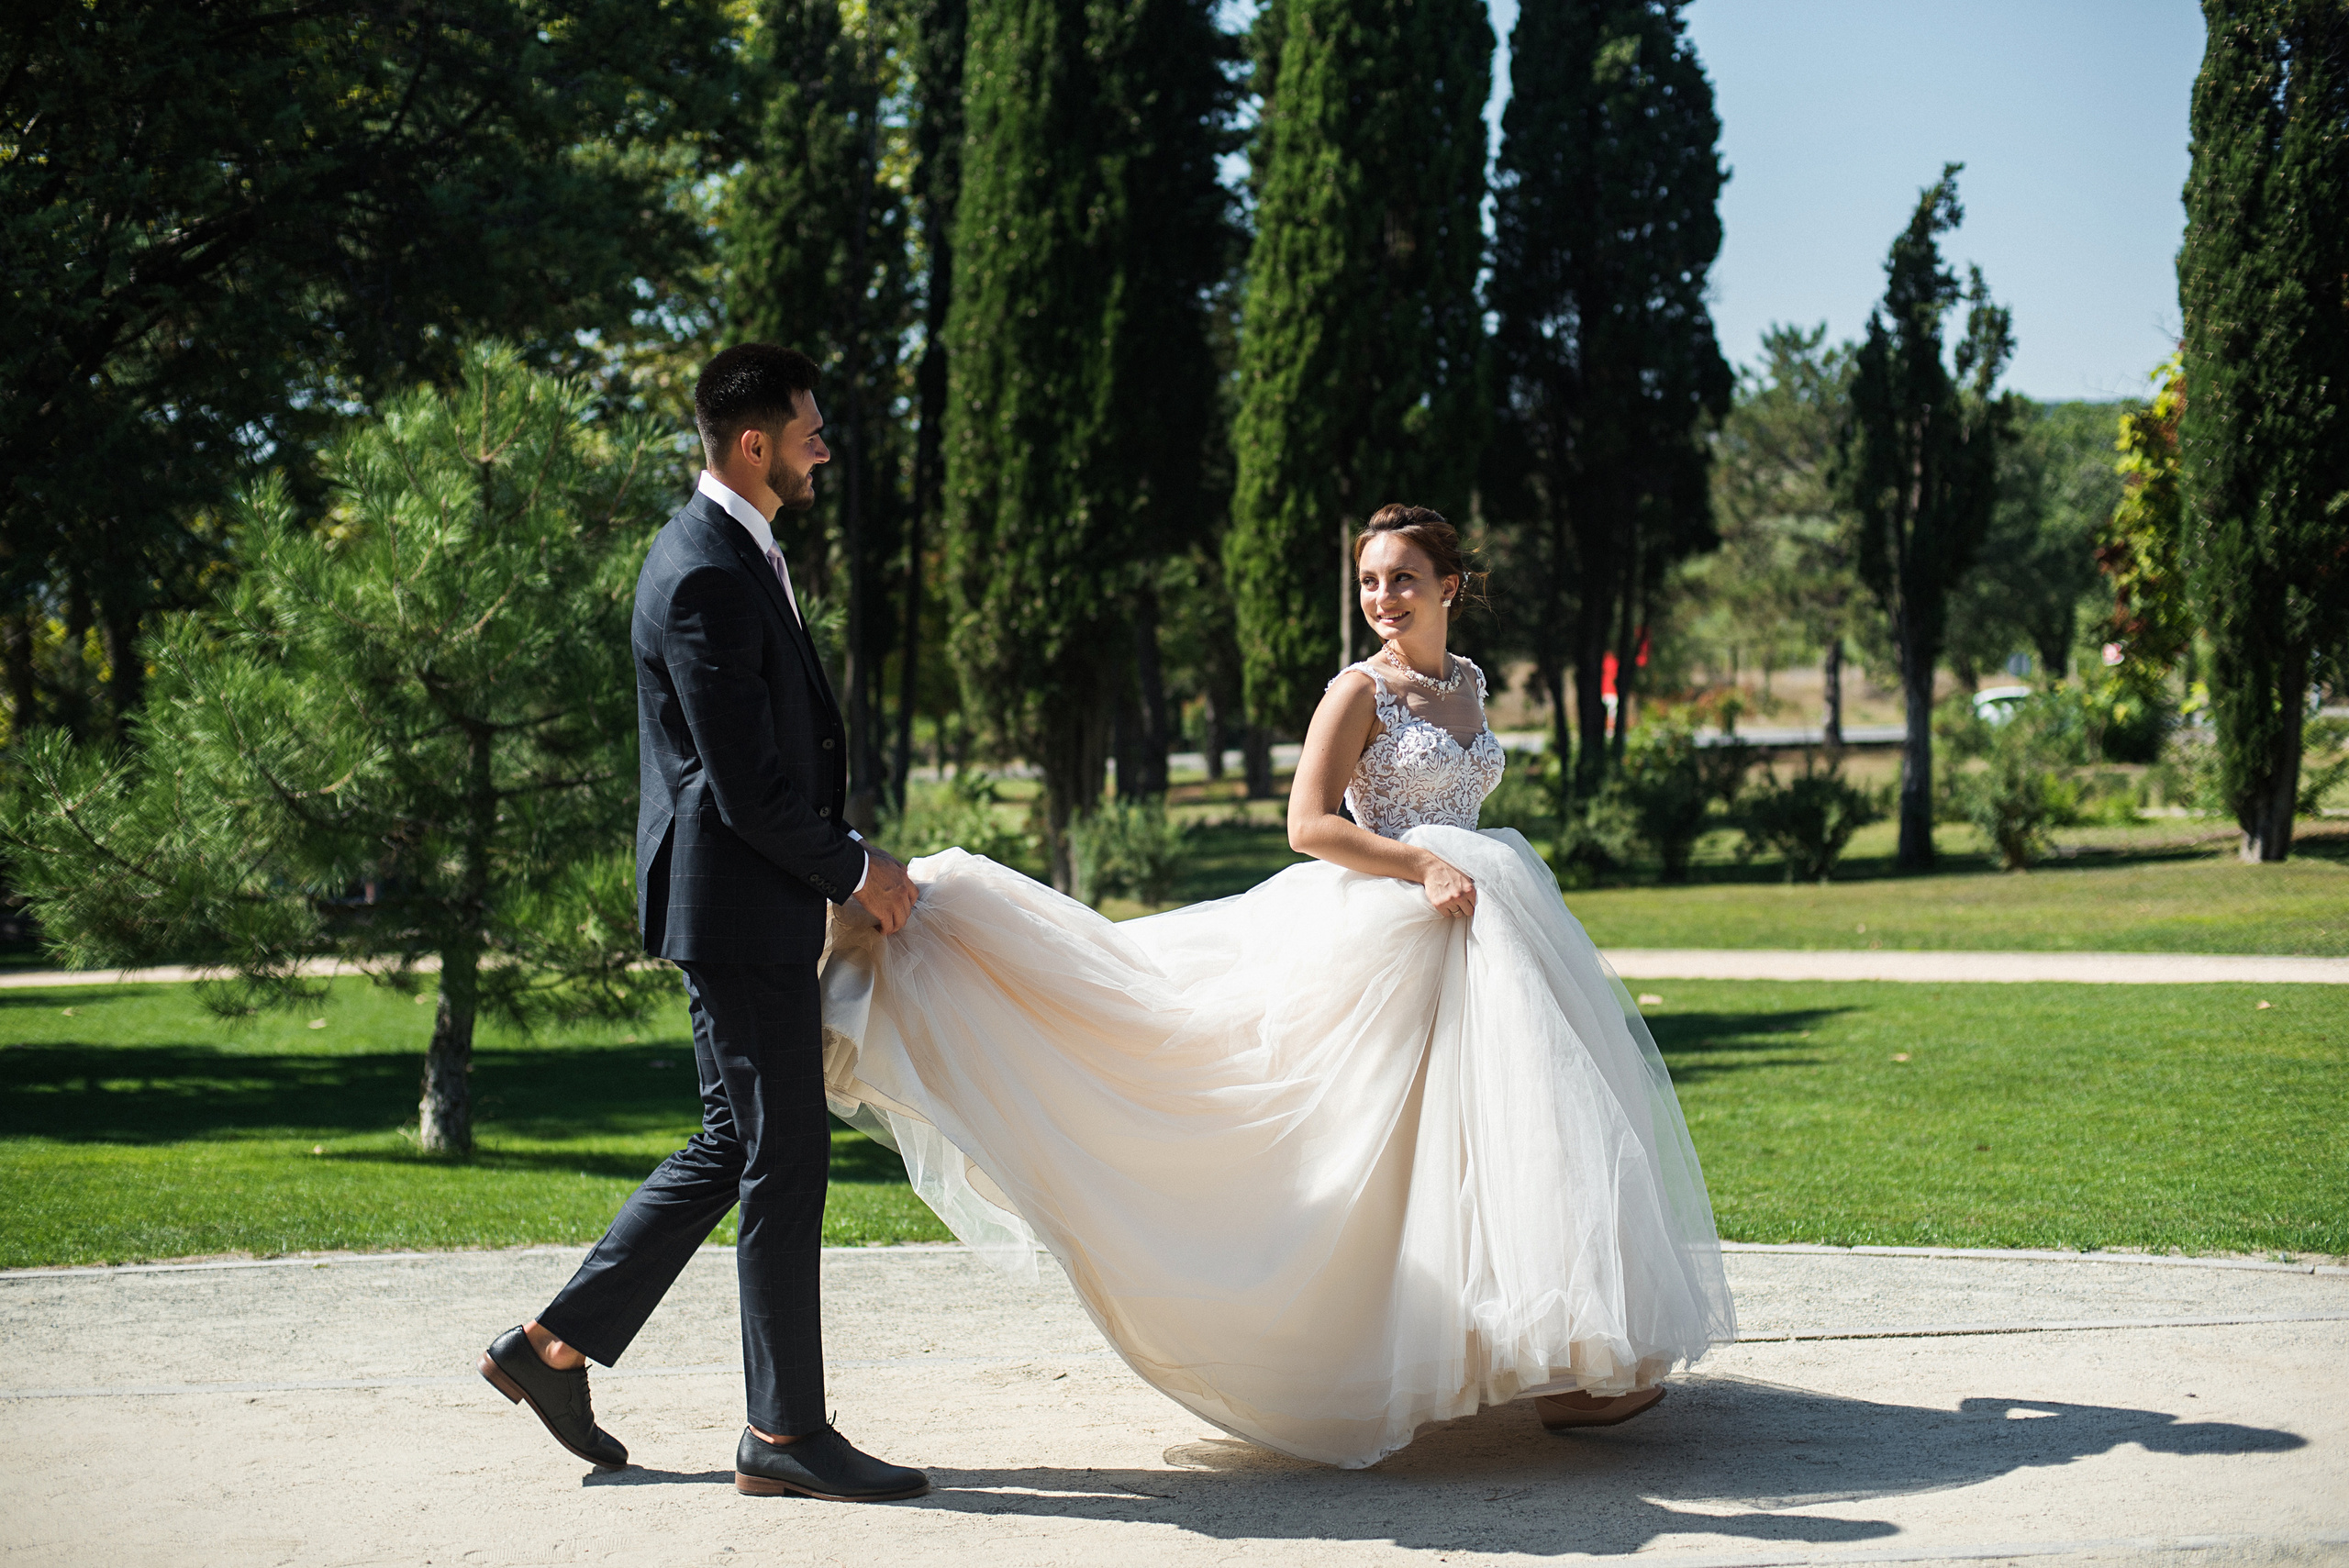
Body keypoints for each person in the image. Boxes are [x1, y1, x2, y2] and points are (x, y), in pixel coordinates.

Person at [819, 504, 1736, 1469]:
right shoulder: (1358, 691)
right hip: (1393, 924)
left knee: (1504, 1133)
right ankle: (1417, 1358)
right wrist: (1419, 865)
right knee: (1358, 1143)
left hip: (1486, 924)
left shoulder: (1466, 680)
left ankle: (1549, 1360)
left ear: (1450, 585)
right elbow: (1308, 823)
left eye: (1403, 577)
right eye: (1370, 580)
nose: (1384, 596)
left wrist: (1452, 869)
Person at [477, 344, 930, 1502]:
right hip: (737, 904)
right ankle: (783, 1430)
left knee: (737, 1138)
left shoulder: (736, 550)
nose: (823, 449)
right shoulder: (701, 571)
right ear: (754, 443)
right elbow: (742, 785)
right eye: (809, 432)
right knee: (785, 1149)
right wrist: (854, 869)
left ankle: (550, 1346)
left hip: (739, 897)